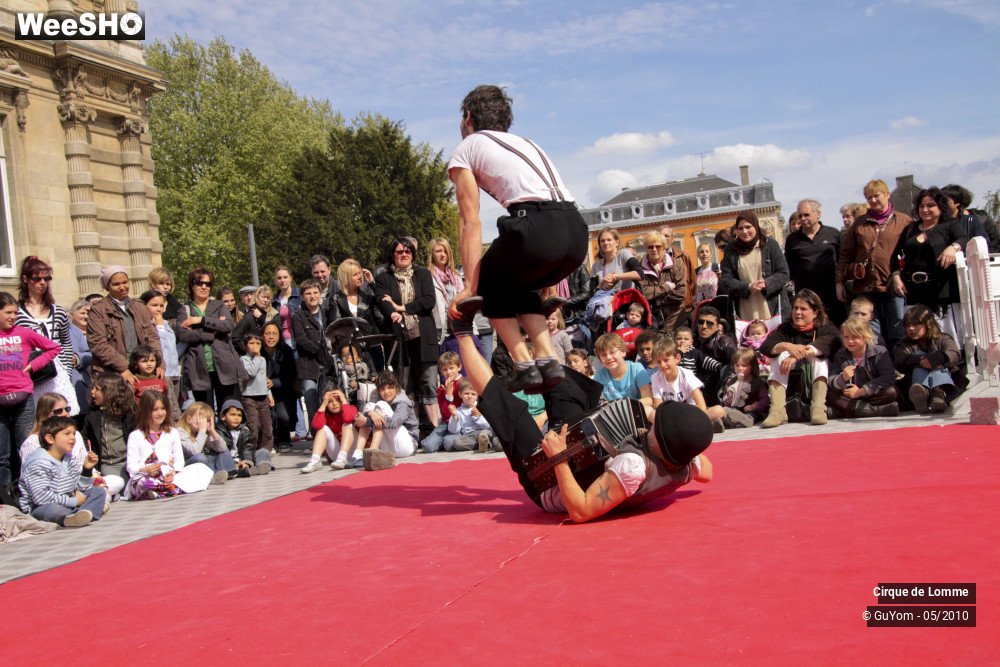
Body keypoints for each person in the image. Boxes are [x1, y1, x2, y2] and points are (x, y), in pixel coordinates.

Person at [450, 329, 714, 523]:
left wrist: (559, 458)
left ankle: (462, 331)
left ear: (666, 438)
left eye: (661, 421)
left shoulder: (632, 467)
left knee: (507, 406)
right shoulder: (687, 465)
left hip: (547, 480)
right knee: (563, 381)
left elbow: (581, 510)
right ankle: (530, 330)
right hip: (585, 452)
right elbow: (707, 471)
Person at [447, 84, 589, 395]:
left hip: (538, 227)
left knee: (488, 283)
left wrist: (471, 287)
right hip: (577, 233)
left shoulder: (468, 146)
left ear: (468, 117)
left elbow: (469, 220)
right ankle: (548, 359)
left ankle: (523, 363)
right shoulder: (528, 143)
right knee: (516, 285)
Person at [837, 179, 911, 348]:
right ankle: (878, 366)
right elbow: (846, 254)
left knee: (897, 326)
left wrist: (902, 275)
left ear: (887, 195)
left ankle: (899, 366)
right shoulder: (860, 223)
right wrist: (839, 282)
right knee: (871, 329)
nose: (873, 200)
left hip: (892, 283)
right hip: (866, 284)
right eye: (869, 197)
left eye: (876, 196)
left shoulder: (903, 221)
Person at [373, 238, 440, 425]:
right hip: (400, 338)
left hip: (424, 336)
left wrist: (401, 308)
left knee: (429, 383)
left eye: (407, 251)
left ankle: (434, 426)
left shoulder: (423, 274)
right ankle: (413, 427)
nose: (404, 254)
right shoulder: (383, 277)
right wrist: (392, 311)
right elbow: (382, 299)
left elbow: (428, 301)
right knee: (406, 385)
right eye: (399, 252)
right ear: (392, 255)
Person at [0, 291, 61, 494]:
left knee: (26, 448)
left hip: (23, 397)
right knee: (3, 455)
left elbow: (53, 348)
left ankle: (30, 491)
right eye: (8, 312)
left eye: (15, 313)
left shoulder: (23, 333)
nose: (13, 317)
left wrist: (34, 365)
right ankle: (5, 497)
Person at [890, 187, 967, 345]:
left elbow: (964, 239)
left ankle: (951, 366)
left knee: (946, 337)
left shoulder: (949, 225)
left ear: (940, 206)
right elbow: (895, 257)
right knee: (920, 338)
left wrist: (953, 248)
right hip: (915, 292)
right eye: (921, 206)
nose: (925, 210)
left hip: (942, 291)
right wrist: (897, 277)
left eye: (930, 205)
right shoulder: (910, 229)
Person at [759, 289, 841, 428]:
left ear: (815, 313)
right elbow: (766, 347)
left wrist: (797, 355)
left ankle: (818, 408)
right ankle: (778, 410)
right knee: (779, 354)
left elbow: (834, 341)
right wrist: (786, 346)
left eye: (803, 309)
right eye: (795, 308)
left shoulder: (824, 326)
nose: (798, 312)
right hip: (792, 383)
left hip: (813, 380)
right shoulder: (785, 328)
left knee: (819, 357)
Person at [19, 391, 124, 498]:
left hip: (81, 481)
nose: (65, 413)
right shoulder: (32, 441)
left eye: (67, 409)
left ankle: (98, 497)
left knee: (117, 481)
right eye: (58, 411)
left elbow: (84, 465)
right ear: (45, 414)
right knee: (101, 494)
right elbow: (29, 475)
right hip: (53, 489)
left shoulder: (76, 434)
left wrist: (93, 472)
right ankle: (98, 499)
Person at [16, 257, 81, 416]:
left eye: (47, 278)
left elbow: (65, 342)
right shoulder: (16, 313)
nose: (43, 282)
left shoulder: (58, 312)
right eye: (37, 278)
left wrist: (67, 369)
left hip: (57, 370)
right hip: (31, 371)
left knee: (63, 414)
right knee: (39, 417)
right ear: (25, 280)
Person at [124, 390, 214, 500]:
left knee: (200, 468)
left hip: (168, 477)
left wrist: (174, 472)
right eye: (155, 410)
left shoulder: (172, 432)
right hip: (146, 477)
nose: (160, 413)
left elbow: (179, 460)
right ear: (145, 411)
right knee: (142, 482)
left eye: (163, 409)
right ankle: (169, 490)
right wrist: (146, 470)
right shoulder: (135, 435)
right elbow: (131, 466)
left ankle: (160, 491)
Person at [86, 265, 163, 392]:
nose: (122, 287)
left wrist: (159, 363)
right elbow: (98, 343)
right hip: (111, 374)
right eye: (116, 284)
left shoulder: (139, 306)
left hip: (141, 372)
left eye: (125, 282)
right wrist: (123, 368)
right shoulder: (98, 310)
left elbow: (152, 337)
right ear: (107, 286)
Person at [18, 415, 105, 527]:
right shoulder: (38, 463)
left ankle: (78, 515)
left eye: (74, 433)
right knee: (52, 509)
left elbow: (79, 489)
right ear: (50, 438)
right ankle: (81, 514)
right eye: (67, 433)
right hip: (41, 507)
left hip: (68, 502)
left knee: (98, 491)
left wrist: (86, 470)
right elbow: (40, 497)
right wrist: (73, 501)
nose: (73, 438)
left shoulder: (70, 459)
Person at [176, 268, 244, 410]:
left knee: (229, 410)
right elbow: (184, 335)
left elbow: (227, 325)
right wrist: (212, 331)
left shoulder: (219, 305)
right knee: (205, 413)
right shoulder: (184, 309)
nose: (204, 287)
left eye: (208, 284)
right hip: (198, 368)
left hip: (225, 366)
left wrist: (200, 320)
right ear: (192, 285)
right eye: (200, 283)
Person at [721, 211, 790, 321]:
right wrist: (747, 287)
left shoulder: (770, 245)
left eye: (748, 227)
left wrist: (766, 283)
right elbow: (726, 279)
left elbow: (783, 273)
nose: (744, 231)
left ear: (756, 226)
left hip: (772, 306)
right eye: (740, 228)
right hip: (744, 307)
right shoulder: (730, 249)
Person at [894, 305, 962, 414]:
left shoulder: (942, 338)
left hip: (946, 384)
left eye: (916, 324)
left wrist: (938, 357)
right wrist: (920, 361)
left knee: (936, 359)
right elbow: (899, 362)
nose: (911, 328)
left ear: (928, 324)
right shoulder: (904, 345)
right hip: (913, 385)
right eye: (908, 325)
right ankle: (922, 395)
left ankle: (938, 395)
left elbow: (955, 354)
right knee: (921, 359)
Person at [828, 316, 899, 418]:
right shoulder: (840, 355)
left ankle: (843, 412)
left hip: (872, 394)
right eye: (846, 337)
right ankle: (877, 411)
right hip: (851, 397)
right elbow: (831, 379)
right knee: (829, 394)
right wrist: (842, 378)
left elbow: (889, 377)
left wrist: (861, 391)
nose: (850, 341)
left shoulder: (880, 352)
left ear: (865, 337)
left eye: (855, 337)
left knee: (892, 392)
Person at [784, 199, 843, 322]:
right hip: (807, 293)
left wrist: (840, 283)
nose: (803, 218)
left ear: (818, 214)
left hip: (832, 291)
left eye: (806, 215)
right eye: (800, 215)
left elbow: (842, 260)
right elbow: (789, 266)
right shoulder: (792, 239)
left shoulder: (833, 233)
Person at [649, 339, 727, 430]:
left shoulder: (686, 374)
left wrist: (695, 417)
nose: (662, 365)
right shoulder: (655, 378)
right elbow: (659, 406)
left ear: (677, 358)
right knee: (652, 415)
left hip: (692, 412)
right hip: (672, 416)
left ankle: (703, 425)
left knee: (718, 410)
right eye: (658, 362)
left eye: (666, 360)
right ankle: (708, 426)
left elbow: (701, 404)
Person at [291, 279, 331, 430]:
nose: (312, 296)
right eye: (308, 293)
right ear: (302, 296)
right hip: (309, 366)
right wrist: (320, 350)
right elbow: (302, 341)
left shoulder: (326, 312)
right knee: (310, 400)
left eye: (315, 292)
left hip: (328, 365)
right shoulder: (298, 317)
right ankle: (316, 437)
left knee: (327, 400)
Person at [83, 372, 136, 482]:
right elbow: (84, 435)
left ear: (109, 391)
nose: (92, 392)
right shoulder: (93, 413)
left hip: (128, 462)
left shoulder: (128, 413)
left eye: (97, 389)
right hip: (107, 464)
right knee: (117, 483)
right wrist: (89, 453)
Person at [352, 371, 418, 459]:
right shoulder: (377, 399)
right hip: (388, 448)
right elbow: (364, 414)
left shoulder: (403, 402)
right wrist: (370, 413)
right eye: (382, 389)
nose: (386, 392)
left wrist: (367, 421)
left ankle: (372, 452)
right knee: (370, 406)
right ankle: (357, 455)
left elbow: (394, 423)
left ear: (397, 388)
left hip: (406, 445)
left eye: (390, 388)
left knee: (381, 404)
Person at [636, 231, 687, 333]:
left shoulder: (676, 264)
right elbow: (643, 293)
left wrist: (657, 299)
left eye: (658, 246)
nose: (654, 250)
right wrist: (666, 287)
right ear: (646, 248)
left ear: (664, 248)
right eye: (650, 247)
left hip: (675, 317)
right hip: (653, 320)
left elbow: (681, 292)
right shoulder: (639, 268)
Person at [139, 290, 182, 407]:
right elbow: (159, 347)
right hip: (160, 375)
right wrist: (159, 327)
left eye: (161, 305)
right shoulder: (146, 326)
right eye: (154, 305)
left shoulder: (166, 323)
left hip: (174, 374)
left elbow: (171, 347)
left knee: (174, 407)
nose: (158, 309)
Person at [302, 388, 360, 473]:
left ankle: (342, 457)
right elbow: (316, 425)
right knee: (322, 428)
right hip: (336, 456)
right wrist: (324, 404)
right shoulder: (325, 415)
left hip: (353, 453)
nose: (334, 404)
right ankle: (315, 461)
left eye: (338, 400)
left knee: (347, 424)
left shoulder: (351, 408)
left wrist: (343, 400)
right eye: (330, 401)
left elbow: (348, 418)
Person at [175, 402, 233, 484]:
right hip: (188, 465)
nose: (204, 423)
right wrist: (202, 431)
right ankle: (214, 476)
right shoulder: (180, 432)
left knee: (223, 451)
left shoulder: (203, 432)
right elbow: (194, 452)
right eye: (201, 418)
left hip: (205, 463)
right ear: (189, 419)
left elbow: (223, 448)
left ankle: (229, 472)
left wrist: (212, 431)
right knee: (199, 457)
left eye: (208, 420)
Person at [261, 321, 297, 452]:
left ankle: (284, 440)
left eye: (274, 334)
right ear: (262, 335)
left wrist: (274, 382)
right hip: (261, 391)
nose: (271, 337)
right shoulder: (257, 350)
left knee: (283, 416)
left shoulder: (285, 350)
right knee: (269, 416)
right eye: (268, 333)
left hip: (282, 390)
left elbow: (291, 375)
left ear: (279, 336)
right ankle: (271, 441)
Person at [592, 333, 652, 406]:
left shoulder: (636, 369)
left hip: (636, 410)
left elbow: (648, 399)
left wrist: (624, 406)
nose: (608, 357)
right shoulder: (599, 375)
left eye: (612, 352)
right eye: (603, 355)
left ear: (623, 352)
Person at [240, 333, 274, 460]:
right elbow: (251, 373)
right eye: (252, 343)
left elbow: (263, 378)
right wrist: (257, 357)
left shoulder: (262, 359)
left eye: (258, 344)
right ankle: (249, 453)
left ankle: (264, 454)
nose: (255, 346)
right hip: (249, 397)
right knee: (253, 427)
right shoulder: (244, 359)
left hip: (263, 397)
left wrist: (269, 394)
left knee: (267, 427)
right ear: (245, 345)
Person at [421, 351, 464, 453]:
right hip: (446, 422)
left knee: (449, 444)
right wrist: (448, 395)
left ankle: (448, 440)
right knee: (428, 446)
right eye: (445, 369)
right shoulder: (441, 389)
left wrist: (450, 394)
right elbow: (445, 413)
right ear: (441, 371)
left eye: (451, 368)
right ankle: (441, 441)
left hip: (461, 421)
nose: (448, 372)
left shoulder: (464, 383)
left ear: (459, 367)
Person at [217, 398, 271, 476]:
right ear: (223, 416)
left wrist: (246, 462)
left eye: (239, 415)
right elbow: (223, 451)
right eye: (233, 415)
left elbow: (248, 449)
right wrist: (235, 463)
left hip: (243, 459)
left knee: (263, 451)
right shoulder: (219, 431)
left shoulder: (245, 430)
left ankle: (261, 466)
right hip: (229, 462)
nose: (236, 418)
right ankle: (239, 471)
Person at [941, 184, 1000, 253]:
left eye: (945, 200)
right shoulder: (938, 222)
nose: (942, 204)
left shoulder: (974, 220)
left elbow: (987, 244)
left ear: (957, 202)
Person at [718, 348, 769, 428]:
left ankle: (747, 420)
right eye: (737, 365)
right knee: (728, 410)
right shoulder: (731, 381)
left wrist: (754, 406)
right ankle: (724, 422)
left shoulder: (758, 382)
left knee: (752, 414)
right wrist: (728, 400)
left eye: (744, 365)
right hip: (736, 409)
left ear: (752, 366)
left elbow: (765, 399)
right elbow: (725, 399)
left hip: (753, 410)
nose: (740, 368)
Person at [127, 345, 179, 418]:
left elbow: (172, 401)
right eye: (144, 361)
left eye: (152, 360)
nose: (149, 364)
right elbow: (130, 405)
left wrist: (176, 418)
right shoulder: (133, 381)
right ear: (136, 364)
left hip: (162, 418)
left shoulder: (163, 379)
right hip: (141, 419)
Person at [444, 378, 494, 452]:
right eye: (466, 393)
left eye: (473, 394)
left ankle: (485, 441)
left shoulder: (481, 407)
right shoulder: (458, 410)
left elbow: (488, 426)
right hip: (469, 436)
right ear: (460, 394)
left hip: (483, 432)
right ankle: (486, 444)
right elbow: (454, 431)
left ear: (477, 396)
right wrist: (455, 416)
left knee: (487, 433)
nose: (469, 396)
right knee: (457, 442)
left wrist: (478, 417)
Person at [66, 299, 93, 424]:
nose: (86, 316)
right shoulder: (70, 330)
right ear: (72, 314)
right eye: (82, 313)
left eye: (88, 313)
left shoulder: (95, 331)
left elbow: (89, 354)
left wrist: (77, 359)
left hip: (87, 378)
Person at [232, 285, 279, 353]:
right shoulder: (250, 316)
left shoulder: (274, 313)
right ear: (257, 297)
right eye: (263, 297)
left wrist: (262, 318)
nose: (265, 300)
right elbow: (235, 337)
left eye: (268, 298)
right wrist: (248, 349)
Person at [271, 266, 302, 351]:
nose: (282, 280)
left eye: (285, 277)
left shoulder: (301, 295)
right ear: (276, 281)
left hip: (299, 341)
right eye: (279, 278)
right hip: (282, 344)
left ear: (290, 278)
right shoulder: (273, 300)